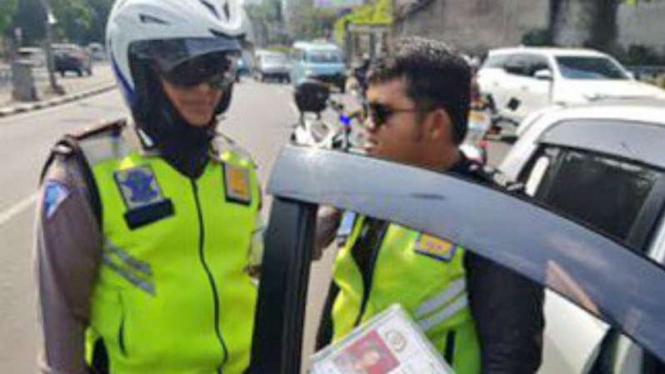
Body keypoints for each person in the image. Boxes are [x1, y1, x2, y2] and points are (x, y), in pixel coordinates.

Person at [35, 0, 263, 373]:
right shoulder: (84, 175)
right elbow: (61, 317)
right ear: (137, 69)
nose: (208, 89)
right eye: (188, 71)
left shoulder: (236, 167)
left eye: (220, 71)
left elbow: (260, 259)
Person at [315, 37, 544, 374]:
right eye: (365, 110)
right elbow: (341, 305)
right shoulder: (369, 191)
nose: (368, 124)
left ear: (436, 123)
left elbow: (511, 357)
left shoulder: (495, 216)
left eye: (381, 113)